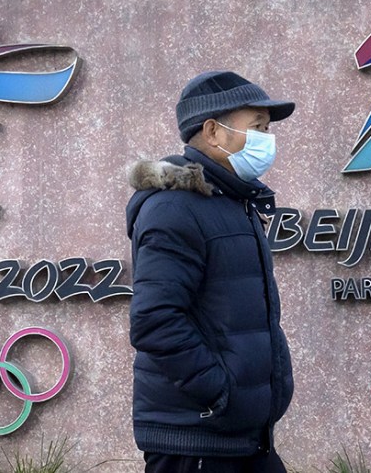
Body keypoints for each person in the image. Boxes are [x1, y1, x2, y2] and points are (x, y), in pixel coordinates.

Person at [125, 70, 295, 473]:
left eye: (267, 129)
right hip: (197, 440)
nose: (266, 140)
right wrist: (221, 393)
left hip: (244, 437)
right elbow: (154, 320)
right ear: (213, 132)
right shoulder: (174, 209)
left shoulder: (234, 202)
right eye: (256, 127)